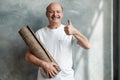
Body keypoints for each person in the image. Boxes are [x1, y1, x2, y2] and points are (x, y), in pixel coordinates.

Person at [25, 2, 90, 80]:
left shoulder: (69, 31)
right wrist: (44, 64)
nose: (55, 14)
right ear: (46, 14)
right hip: (45, 78)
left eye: (58, 11)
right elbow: (28, 56)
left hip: (67, 78)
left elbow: (87, 45)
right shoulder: (39, 33)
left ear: (62, 14)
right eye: (51, 11)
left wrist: (75, 32)